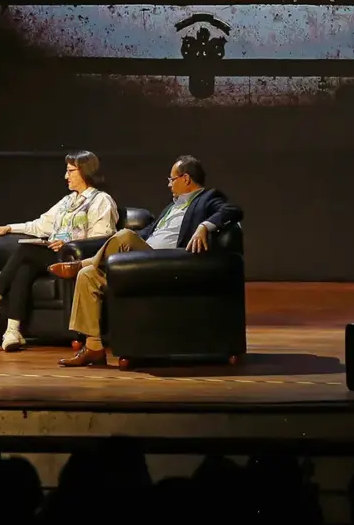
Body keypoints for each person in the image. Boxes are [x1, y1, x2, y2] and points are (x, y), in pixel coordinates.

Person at [53, 156, 243, 367]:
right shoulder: (172, 207)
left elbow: (232, 210)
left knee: (124, 236)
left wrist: (205, 226)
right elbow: (146, 234)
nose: (168, 184)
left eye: (172, 179)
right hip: (144, 260)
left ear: (186, 178)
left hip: (168, 262)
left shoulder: (208, 197)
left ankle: (82, 262)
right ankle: (94, 348)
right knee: (87, 276)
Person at [0, 151, 119, 352]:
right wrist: (9, 228)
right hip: (55, 253)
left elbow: (103, 237)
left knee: (26, 251)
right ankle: (12, 331)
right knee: (24, 267)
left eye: (70, 171)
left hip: (78, 257)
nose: (66, 176)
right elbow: (41, 225)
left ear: (85, 171)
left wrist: (69, 242)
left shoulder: (101, 200)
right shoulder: (68, 201)